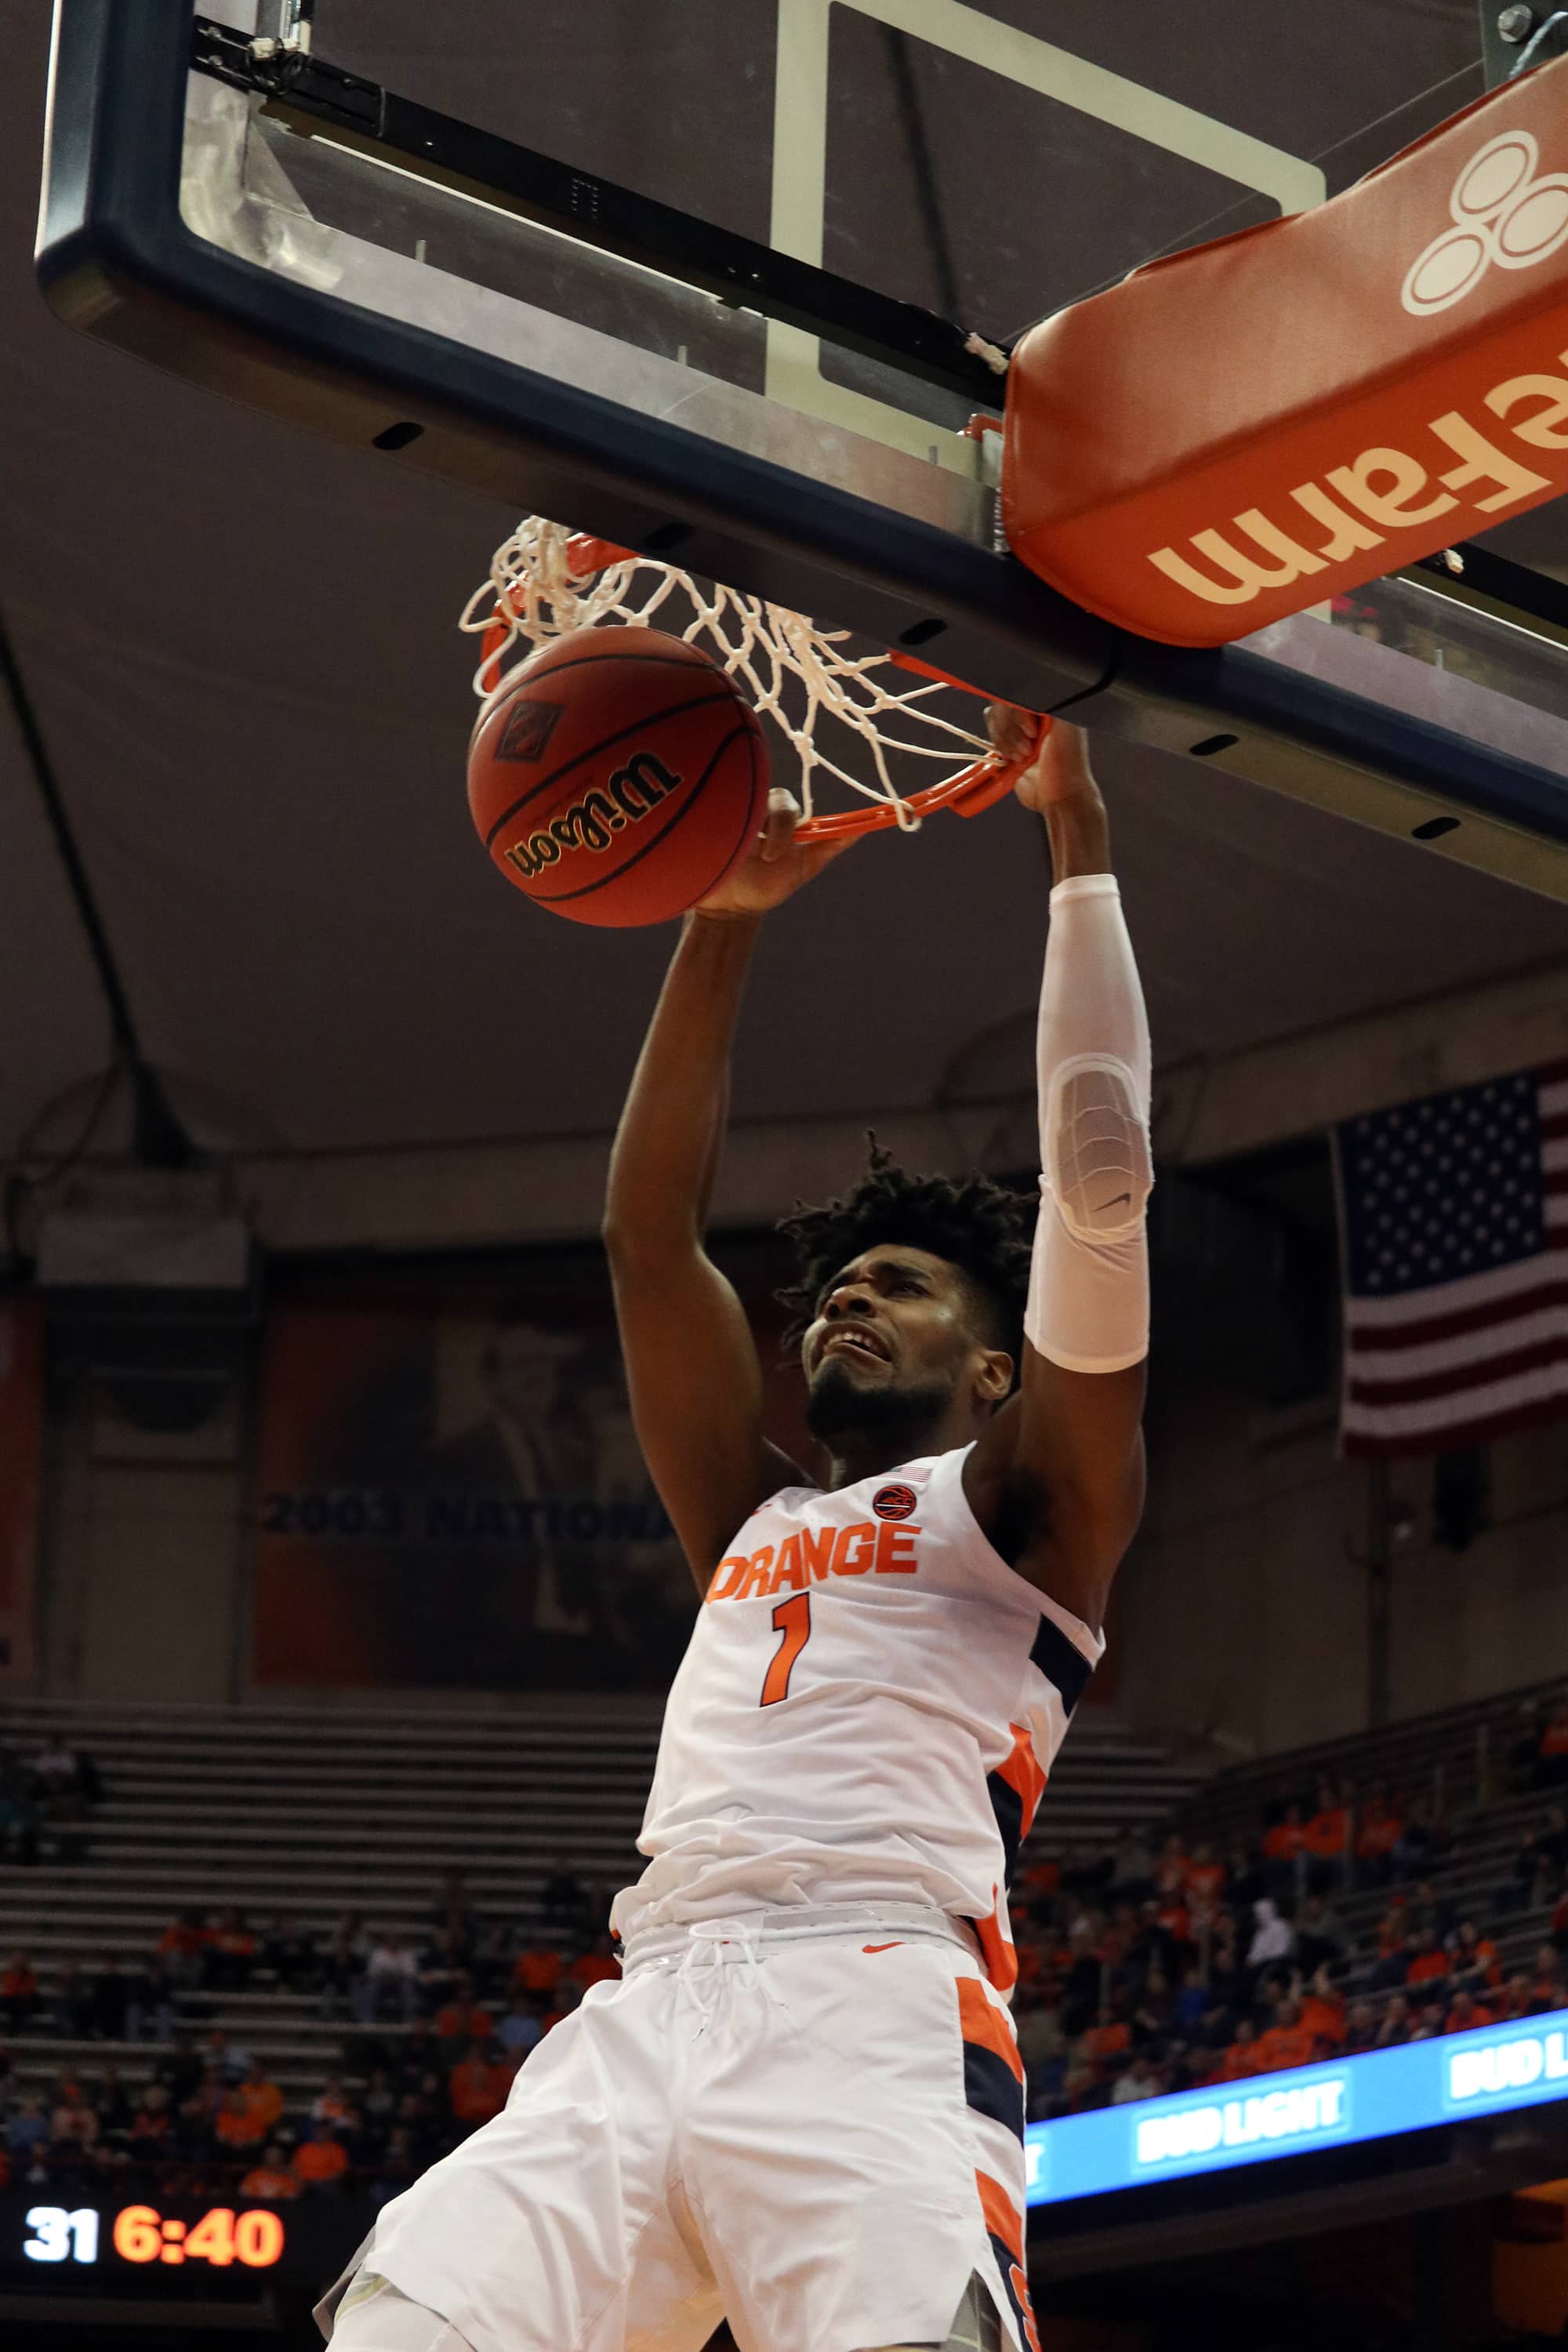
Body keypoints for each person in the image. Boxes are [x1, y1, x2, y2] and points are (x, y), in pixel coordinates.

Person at [318, 713, 1152, 2352]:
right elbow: (645, 1241)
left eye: (899, 1287)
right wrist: (720, 919)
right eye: (839, 1284)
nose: (847, 1296)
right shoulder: (752, 1515)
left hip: (867, 2001)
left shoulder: (1033, 1506)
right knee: (400, 2323)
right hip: (645, 2011)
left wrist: (1074, 835)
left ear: (995, 1365)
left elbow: (1101, 1179)